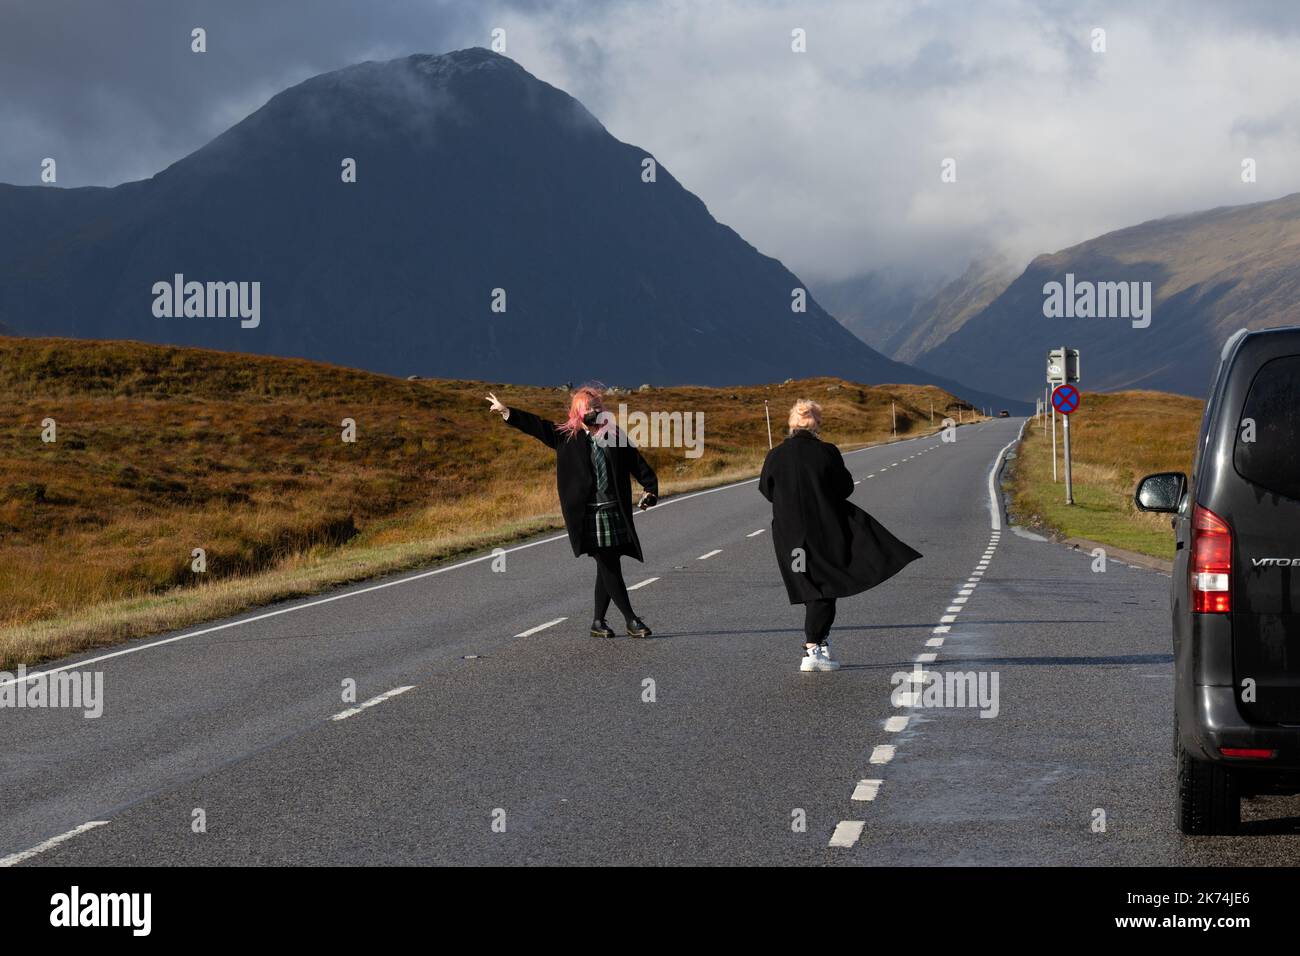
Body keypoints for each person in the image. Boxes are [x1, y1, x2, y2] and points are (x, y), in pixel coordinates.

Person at [759, 399, 921, 672]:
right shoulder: (826, 452)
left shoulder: (775, 455)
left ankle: (817, 644)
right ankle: (813, 649)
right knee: (825, 584)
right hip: (823, 529)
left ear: (791, 425)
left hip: (788, 532)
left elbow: (766, 489)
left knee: (809, 583)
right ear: (816, 425)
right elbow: (845, 487)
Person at [486, 385, 658, 639]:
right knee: (608, 563)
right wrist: (506, 411)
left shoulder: (615, 436)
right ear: (578, 411)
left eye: (598, 406)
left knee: (607, 564)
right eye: (589, 407)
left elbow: (637, 463)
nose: (595, 411)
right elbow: (536, 425)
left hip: (614, 510)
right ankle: (631, 619)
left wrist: (650, 489)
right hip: (589, 515)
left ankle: (598, 622)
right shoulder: (565, 437)